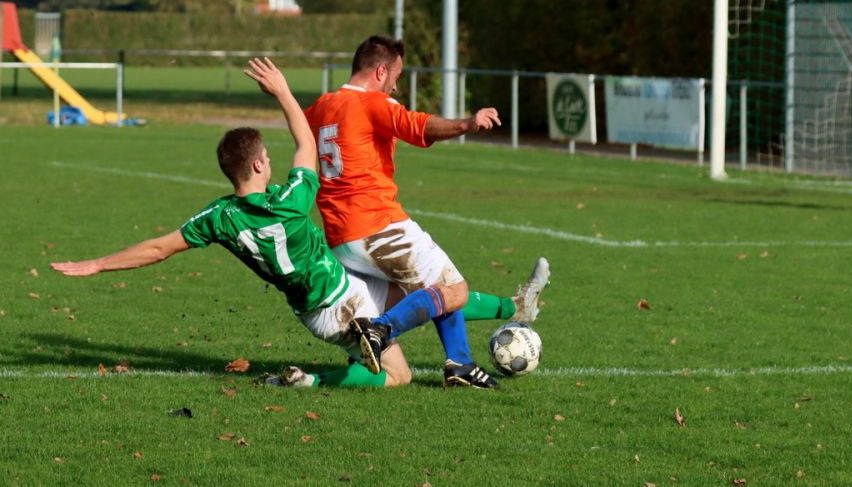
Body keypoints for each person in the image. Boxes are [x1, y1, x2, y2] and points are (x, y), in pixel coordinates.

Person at [50, 58, 413, 389]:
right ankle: (313, 381)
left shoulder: (220, 217)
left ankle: (404, 337)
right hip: (342, 303)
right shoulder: (291, 200)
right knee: (399, 374)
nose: (270, 163)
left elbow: (159, 248)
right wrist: (282, 91)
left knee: (419, 287)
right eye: (267, 158)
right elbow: (306, 140)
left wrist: (98, 263)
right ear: (257, 165)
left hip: (316, 309)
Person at [305, 35, 550, 388]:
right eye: (395, 77)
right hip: (377, 225)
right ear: (380, 71)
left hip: (342, 237)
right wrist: (467, 123)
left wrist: (283, 96)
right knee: (454, 289)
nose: (396, 85)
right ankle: (380, 330)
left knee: (430, 293)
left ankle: (475, 350)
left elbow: (301, 130)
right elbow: (420, 126)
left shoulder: (323, 107)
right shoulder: (372, 103)